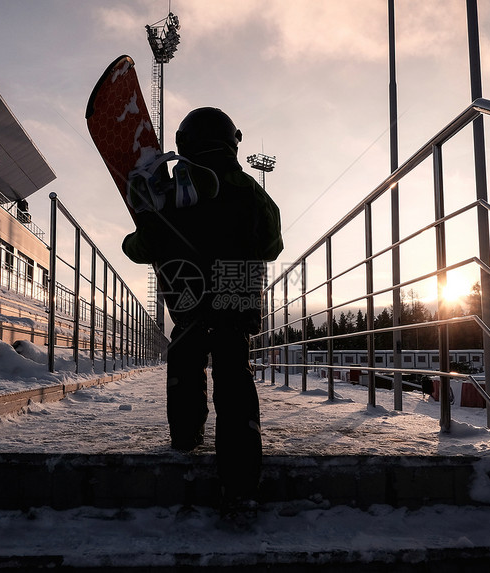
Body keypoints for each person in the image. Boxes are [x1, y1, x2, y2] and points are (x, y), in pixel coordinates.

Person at [122, 107, 283, 518]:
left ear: (184, 143)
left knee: (187, 354)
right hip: (238, 282)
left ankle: (186, 436)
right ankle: (242, 484)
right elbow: (271, 245)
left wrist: (134, 239)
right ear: (233, 142)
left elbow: (144, 247)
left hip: (188, 286)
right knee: (233, 368)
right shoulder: (251, 190)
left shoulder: (173, 190)